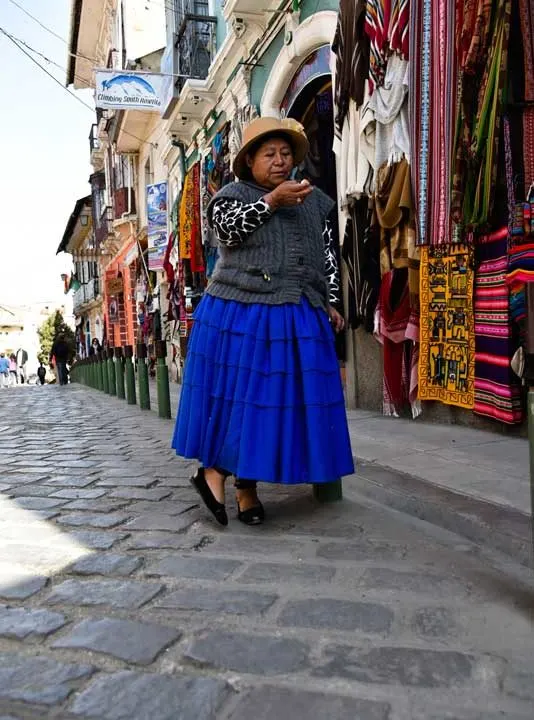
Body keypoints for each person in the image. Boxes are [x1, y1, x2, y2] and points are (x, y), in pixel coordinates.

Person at [172, 116, 354, 526]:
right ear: (249, 160)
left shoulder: (314, 201)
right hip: (241, 311)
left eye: (286, 153)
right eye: (269, 154)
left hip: (294, 312)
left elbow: (323, 258)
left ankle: (241, 485)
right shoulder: (231, 196)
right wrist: (271, 202)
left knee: (272, 404)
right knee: (241, 398)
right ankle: (225, 478)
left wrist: (326, 301)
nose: (279, 161)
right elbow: (228, 234)